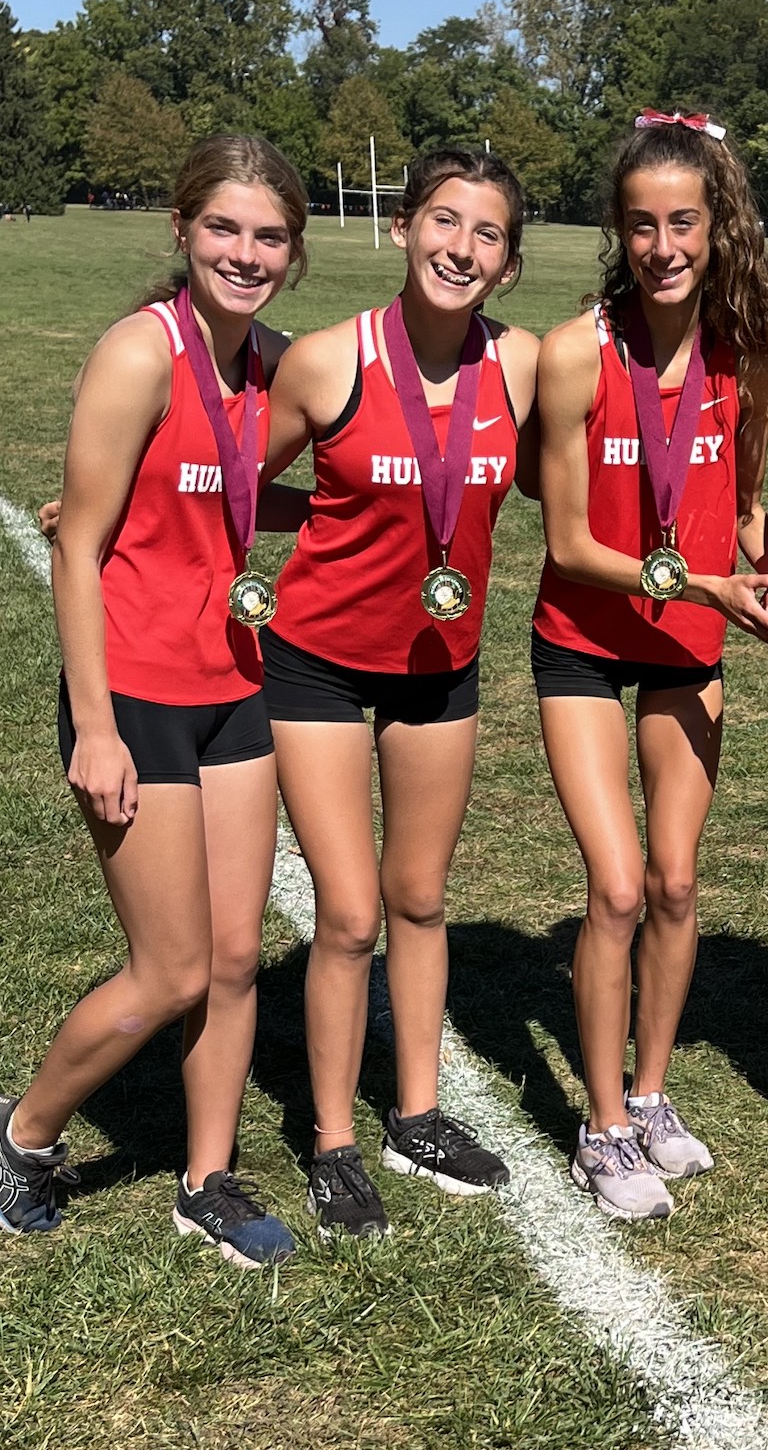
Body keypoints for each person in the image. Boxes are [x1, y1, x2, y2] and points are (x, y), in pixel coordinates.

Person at [0, 136, 308, 1267]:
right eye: (224, 229)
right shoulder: (136, 353)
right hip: (138, 696)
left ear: (292, 253)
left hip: (234, 687)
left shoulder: (272, 365)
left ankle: (206, 1176)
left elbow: (245, 488)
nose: (243, 254)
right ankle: (18, 1130)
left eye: (266, 236)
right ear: (182, 227)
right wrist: (97, 725)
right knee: (173, 969)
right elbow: (80, 545)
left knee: (241, 955)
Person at [261, 147, 540, 1238]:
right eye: (441, 220)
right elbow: (240, 480)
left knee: (420, 898)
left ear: (507, 262)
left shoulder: (518, 367)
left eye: (484, 234)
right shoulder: (330, 361)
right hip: (318, 659)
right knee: (348, 911)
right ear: (400, 227)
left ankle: (416, 1112)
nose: (458, 247)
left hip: (442, 665)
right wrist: (106, 509)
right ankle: (333, 1137)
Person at [525, 111, 768, 1221]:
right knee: (619, 884)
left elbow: (748, 499)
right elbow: (570, 543)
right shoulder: (574, 351)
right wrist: (706, 584)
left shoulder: (750, 350)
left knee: (679, 883)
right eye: (639, 224)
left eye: (682, 221)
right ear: (616, 231)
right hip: (586, 640)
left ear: (716, 222)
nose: (662, 245)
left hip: (687, 644)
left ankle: (649, 1092)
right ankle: (597, 1128)